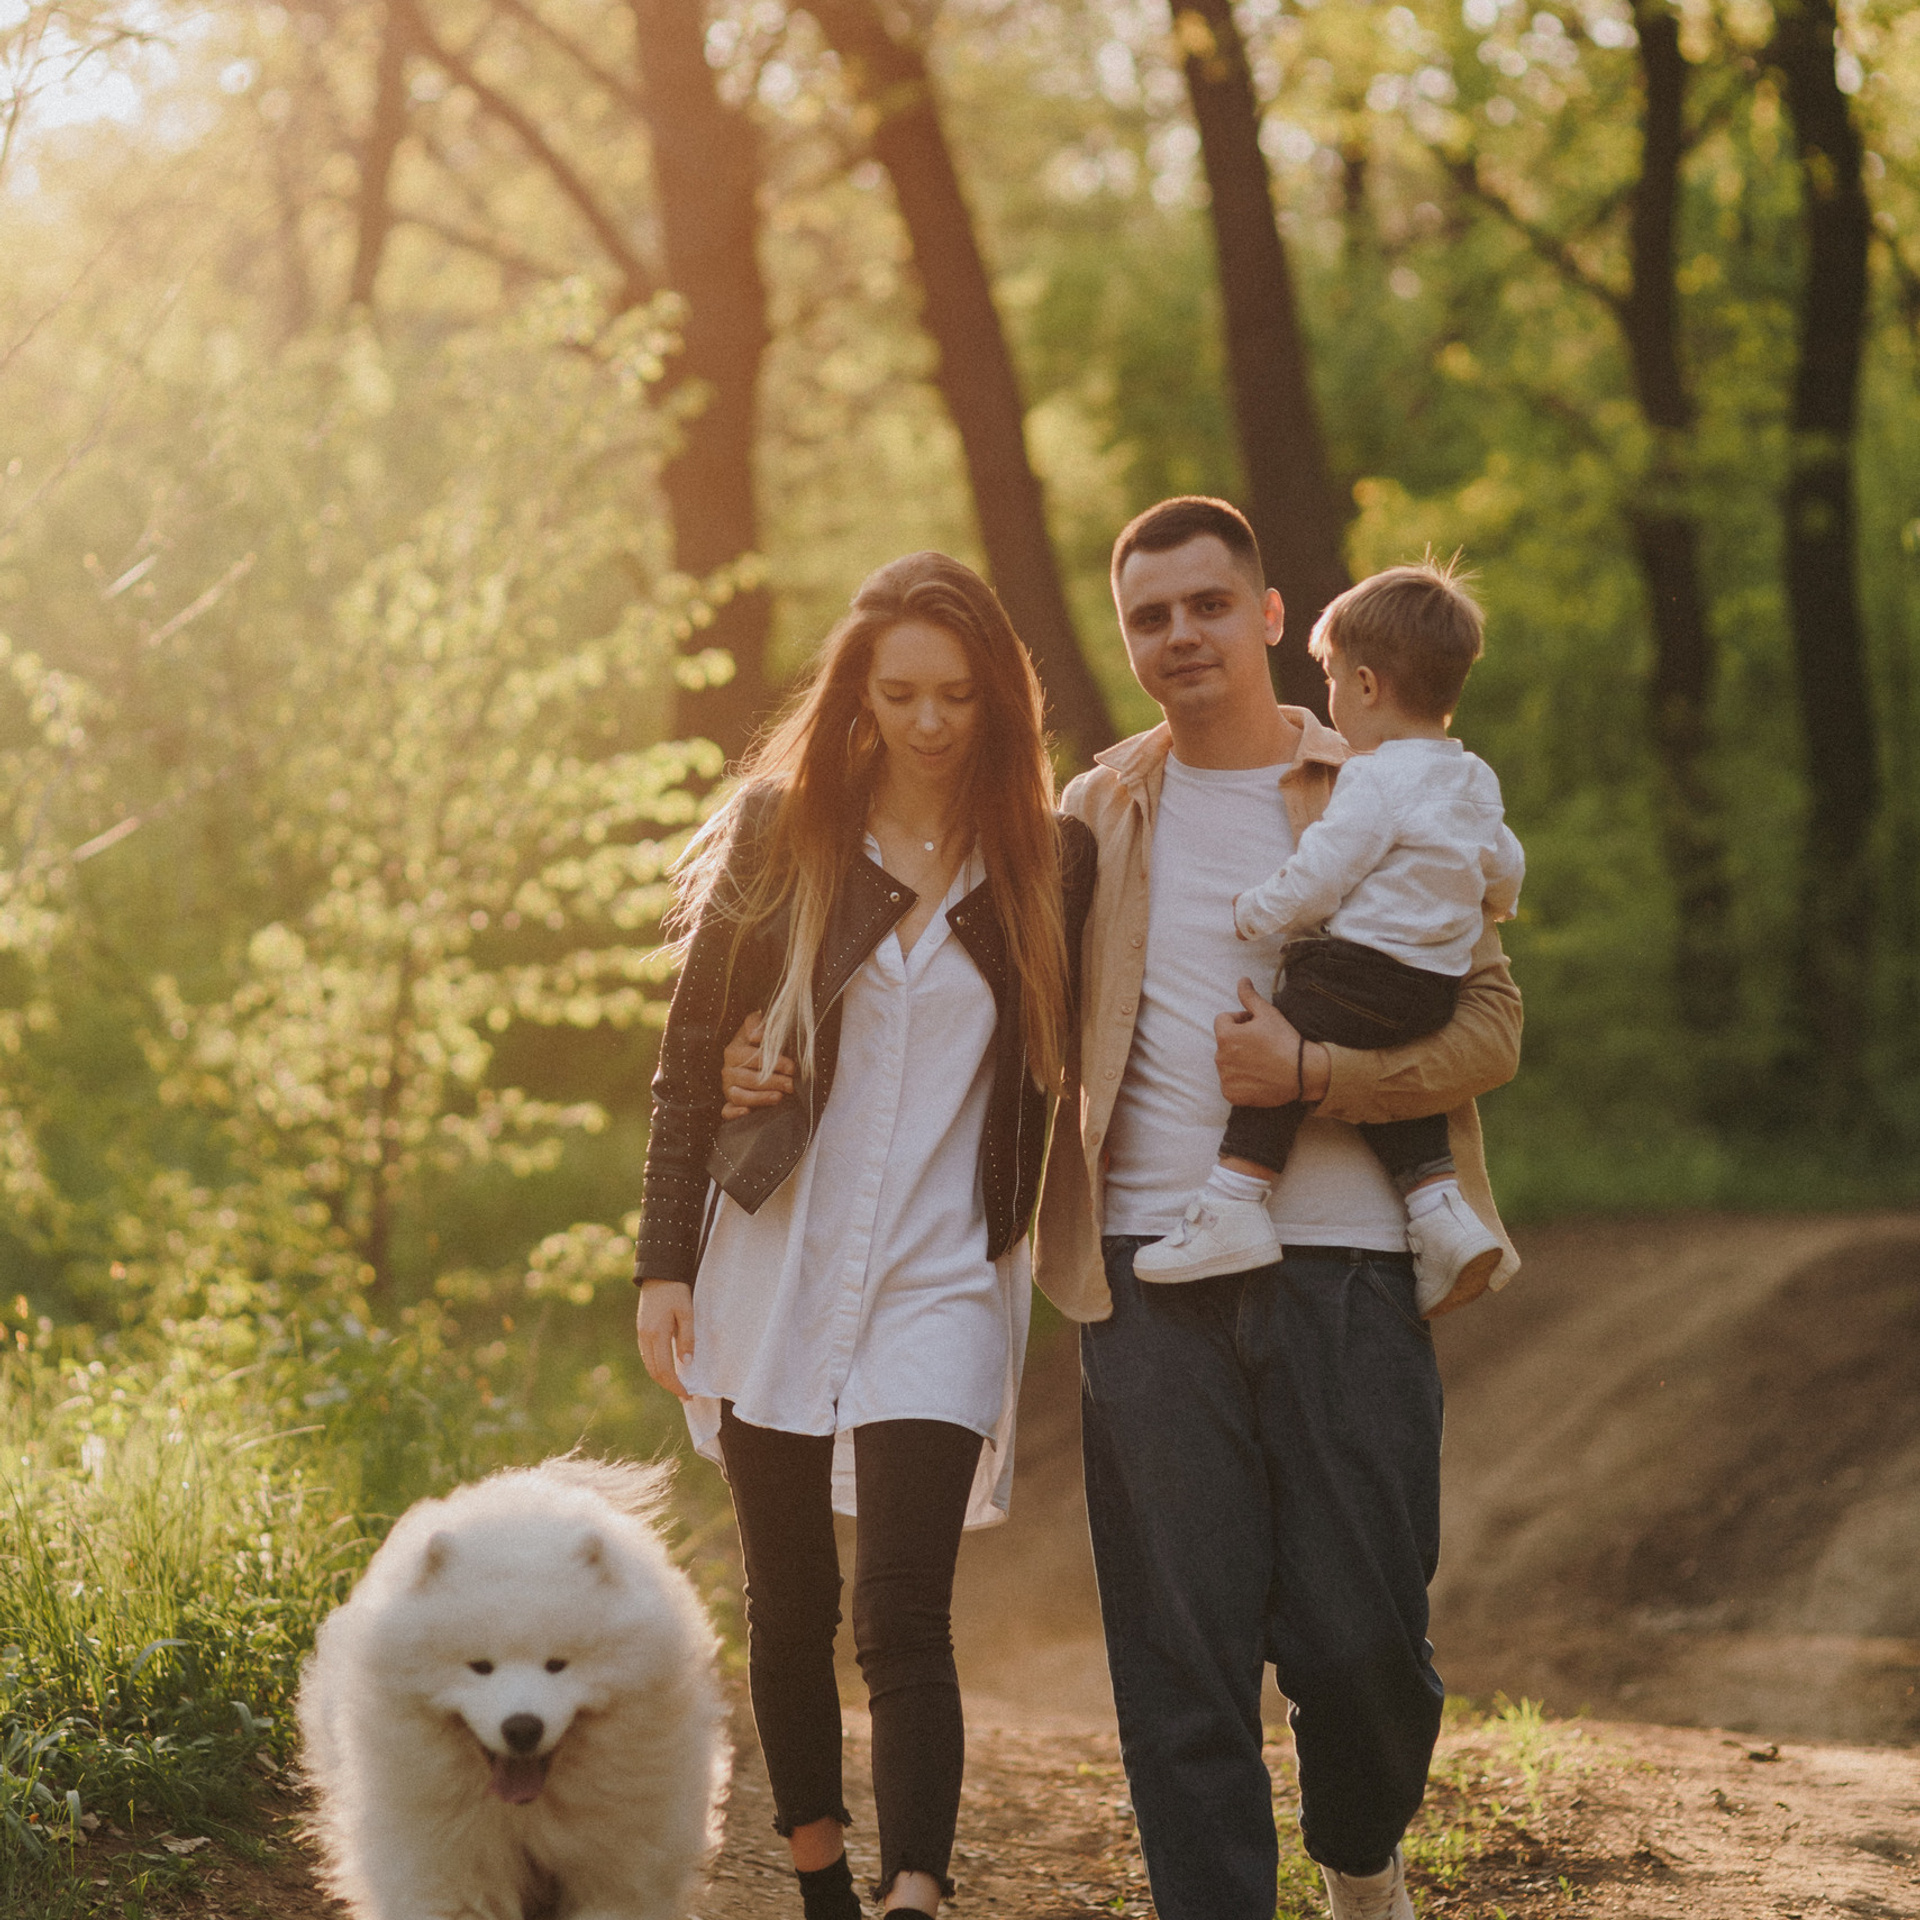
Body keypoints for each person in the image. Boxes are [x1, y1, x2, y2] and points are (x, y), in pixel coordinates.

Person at [1031, 498, 1523, 1920]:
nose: (1177, 633)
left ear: (1265, 614)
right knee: (1180, 1657)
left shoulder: (1393, 777)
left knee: (1365, 1641)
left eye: (1203, 604)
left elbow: (1488, 1031)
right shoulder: (1096, 812)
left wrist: (1316, 1070)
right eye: (1147, 617)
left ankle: (1360, 1865)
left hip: (1354, 1262)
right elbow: (987, 1005)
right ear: (1129, 643)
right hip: (1147, 1267)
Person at [632, 552, 1095, 1920]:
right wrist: (665, 1259)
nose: (931, 722)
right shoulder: (787, 835)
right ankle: (824, 1881)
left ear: (1000, 699)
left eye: (958, 695)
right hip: (774, 1262)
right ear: (861, 695)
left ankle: (916, 1895)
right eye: (901, 693)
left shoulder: (1048, 859)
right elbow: (687, 1060)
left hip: (946, 1275)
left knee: (903, 1611)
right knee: (787, 1605)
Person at [1131, 560, 1524, 1309]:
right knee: (1378, 1069)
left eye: (1335, 679)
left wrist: (1258, 909)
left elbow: (1323, 871)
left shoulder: (1371, 778)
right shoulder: (1473, 777)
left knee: (1272, 1038)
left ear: (1369, 687)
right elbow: (1505, 861)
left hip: (1362, 970)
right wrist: (1495, 903)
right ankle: (1441, 1215)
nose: (1332, 696)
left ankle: (1234, 1201)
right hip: (1430, 989)